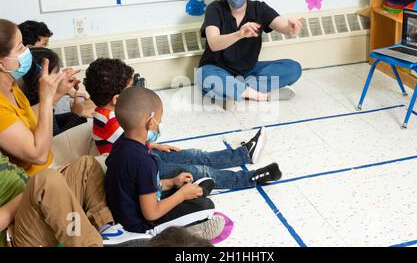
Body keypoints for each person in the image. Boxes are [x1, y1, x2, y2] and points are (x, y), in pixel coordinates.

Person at [84, 58, 282, 189]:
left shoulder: (110, 113)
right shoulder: (107, 121)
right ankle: (249, 179)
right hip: (140, 168)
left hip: (146, 154)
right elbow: (131, 144)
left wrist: (155, 145)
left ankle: (244, 154)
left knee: (193, 155)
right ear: (117, 99)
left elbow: (132, 142)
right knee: (197, 171)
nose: (135, 91)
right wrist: (152, 132)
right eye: (131, 89)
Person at [105, 87, 225, 239]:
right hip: (140, 225)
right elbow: (151, 213)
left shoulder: (121, 143)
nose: (160, 122)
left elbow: (136, 184)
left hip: (127, 206)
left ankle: (187, 189)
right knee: (206, 207)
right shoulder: (144, 161)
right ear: (149, 122)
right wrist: (181, 195)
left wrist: (172, 183)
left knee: (178, 175)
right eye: (160, 119)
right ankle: (177, 232)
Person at [197, 0, 302, 107]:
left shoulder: (259, 9)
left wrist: (291, 29)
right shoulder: (214, 9)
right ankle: (260, 96)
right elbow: (214, 43)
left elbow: (284, 27)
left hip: (248, 71)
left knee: (292, 67)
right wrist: (239, 34)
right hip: (217, 68)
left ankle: (235, 91)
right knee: (204, 75)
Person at [0, 151, 149, 247]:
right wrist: (35, 189)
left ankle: (106, 230)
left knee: (86, 165)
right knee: (47, 180)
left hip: (30, 207)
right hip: (15, 236)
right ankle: (90, 244)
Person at [0, 19, 79, 175]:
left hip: (50, 159)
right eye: (20, 47)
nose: (27, 51)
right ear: (2, 64)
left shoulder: (11, 85)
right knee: (99, 165)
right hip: (39, 178)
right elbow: (39, 155)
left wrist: (57, 92)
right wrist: (47, 97)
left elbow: (26, 117)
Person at [21, 47, 95, 136]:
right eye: (57, 72)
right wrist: (76, 115)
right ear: (41, 77)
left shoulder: (32, 96)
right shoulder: (33, 104)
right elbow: (55, 138)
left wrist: (78, 113)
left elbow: (55, 120)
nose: (60, 76)